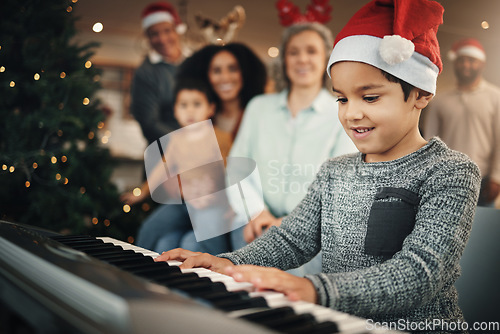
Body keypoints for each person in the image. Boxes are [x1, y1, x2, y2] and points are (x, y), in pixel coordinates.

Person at [155, 0, 482, 332]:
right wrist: (228, 262)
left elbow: (420, 273)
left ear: (421, 93)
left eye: (369, 98)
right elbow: (293, 240)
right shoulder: (335, 171)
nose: (351, 113)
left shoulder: (450, 172)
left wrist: (315, 289)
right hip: (340, 323)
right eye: (341, 98)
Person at [226, 22, 357, 276]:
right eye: (294, 52)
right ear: (284, 59)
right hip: (255, 221)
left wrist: (290, 224)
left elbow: (340, 182)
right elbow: (237, 167)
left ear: (326, 60)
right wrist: (256, 212)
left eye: (311, 51)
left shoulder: (341, 112)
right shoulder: (258, 107)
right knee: (244, 285)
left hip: (311, 229)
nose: (302, 59)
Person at [124, 43, 267, 253]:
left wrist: (227, 199)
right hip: (189, 204)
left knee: (192, 242)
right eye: (216, 70)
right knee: (160, 239)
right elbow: (167, 169)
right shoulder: (191, 124)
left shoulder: (253, 117)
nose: (225, 77)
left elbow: (237, 170)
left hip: (230, 207)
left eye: (232, 68)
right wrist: (183, 188)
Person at [134, 78, 234, 254]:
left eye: (196, 104)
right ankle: (134, 265)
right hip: (183, 202)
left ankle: (221, 267)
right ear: (175, 111)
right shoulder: (176, 139)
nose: (190, 111)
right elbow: (162, 169)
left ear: (211, 108)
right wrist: (141, 192)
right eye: (183, 105)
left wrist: (226, 200)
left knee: (205, 236)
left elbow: (231, 171)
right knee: (150, 227)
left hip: (212, 202)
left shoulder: (220, 138)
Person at [423, 38, 500, 207]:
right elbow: (430, 141)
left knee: (480, 231)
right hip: (446, 178)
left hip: (484, 181)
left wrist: (497, 177)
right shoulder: (439, 101)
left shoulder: (496, 97)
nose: (466, 65)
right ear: (455, 63)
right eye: (461, 60)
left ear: (482, 64)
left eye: (471, 60)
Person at [129, 1, 186, 145]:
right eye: (154, 34)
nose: (162, 39)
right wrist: (186, 144)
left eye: (167, 30)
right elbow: (149, 124)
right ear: (147, 38)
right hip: (165, 156)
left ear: (176, 30)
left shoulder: (194, 62)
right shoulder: (145, 73)